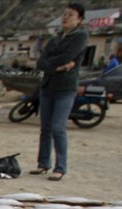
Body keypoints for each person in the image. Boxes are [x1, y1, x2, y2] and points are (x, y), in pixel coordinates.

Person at [31, 3, 87, 181]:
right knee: (45, 128)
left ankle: (60, 167)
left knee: (58, 127)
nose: (65, 17)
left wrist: (56, 64)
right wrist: (58, 68)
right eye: (64, 14)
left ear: (79, 19)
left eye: (70, 15)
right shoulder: (55, 39)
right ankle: (43, 163)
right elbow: (41, 62)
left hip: (65, 88)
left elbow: (67, 57)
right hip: (48, 86)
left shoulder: (80, 36)